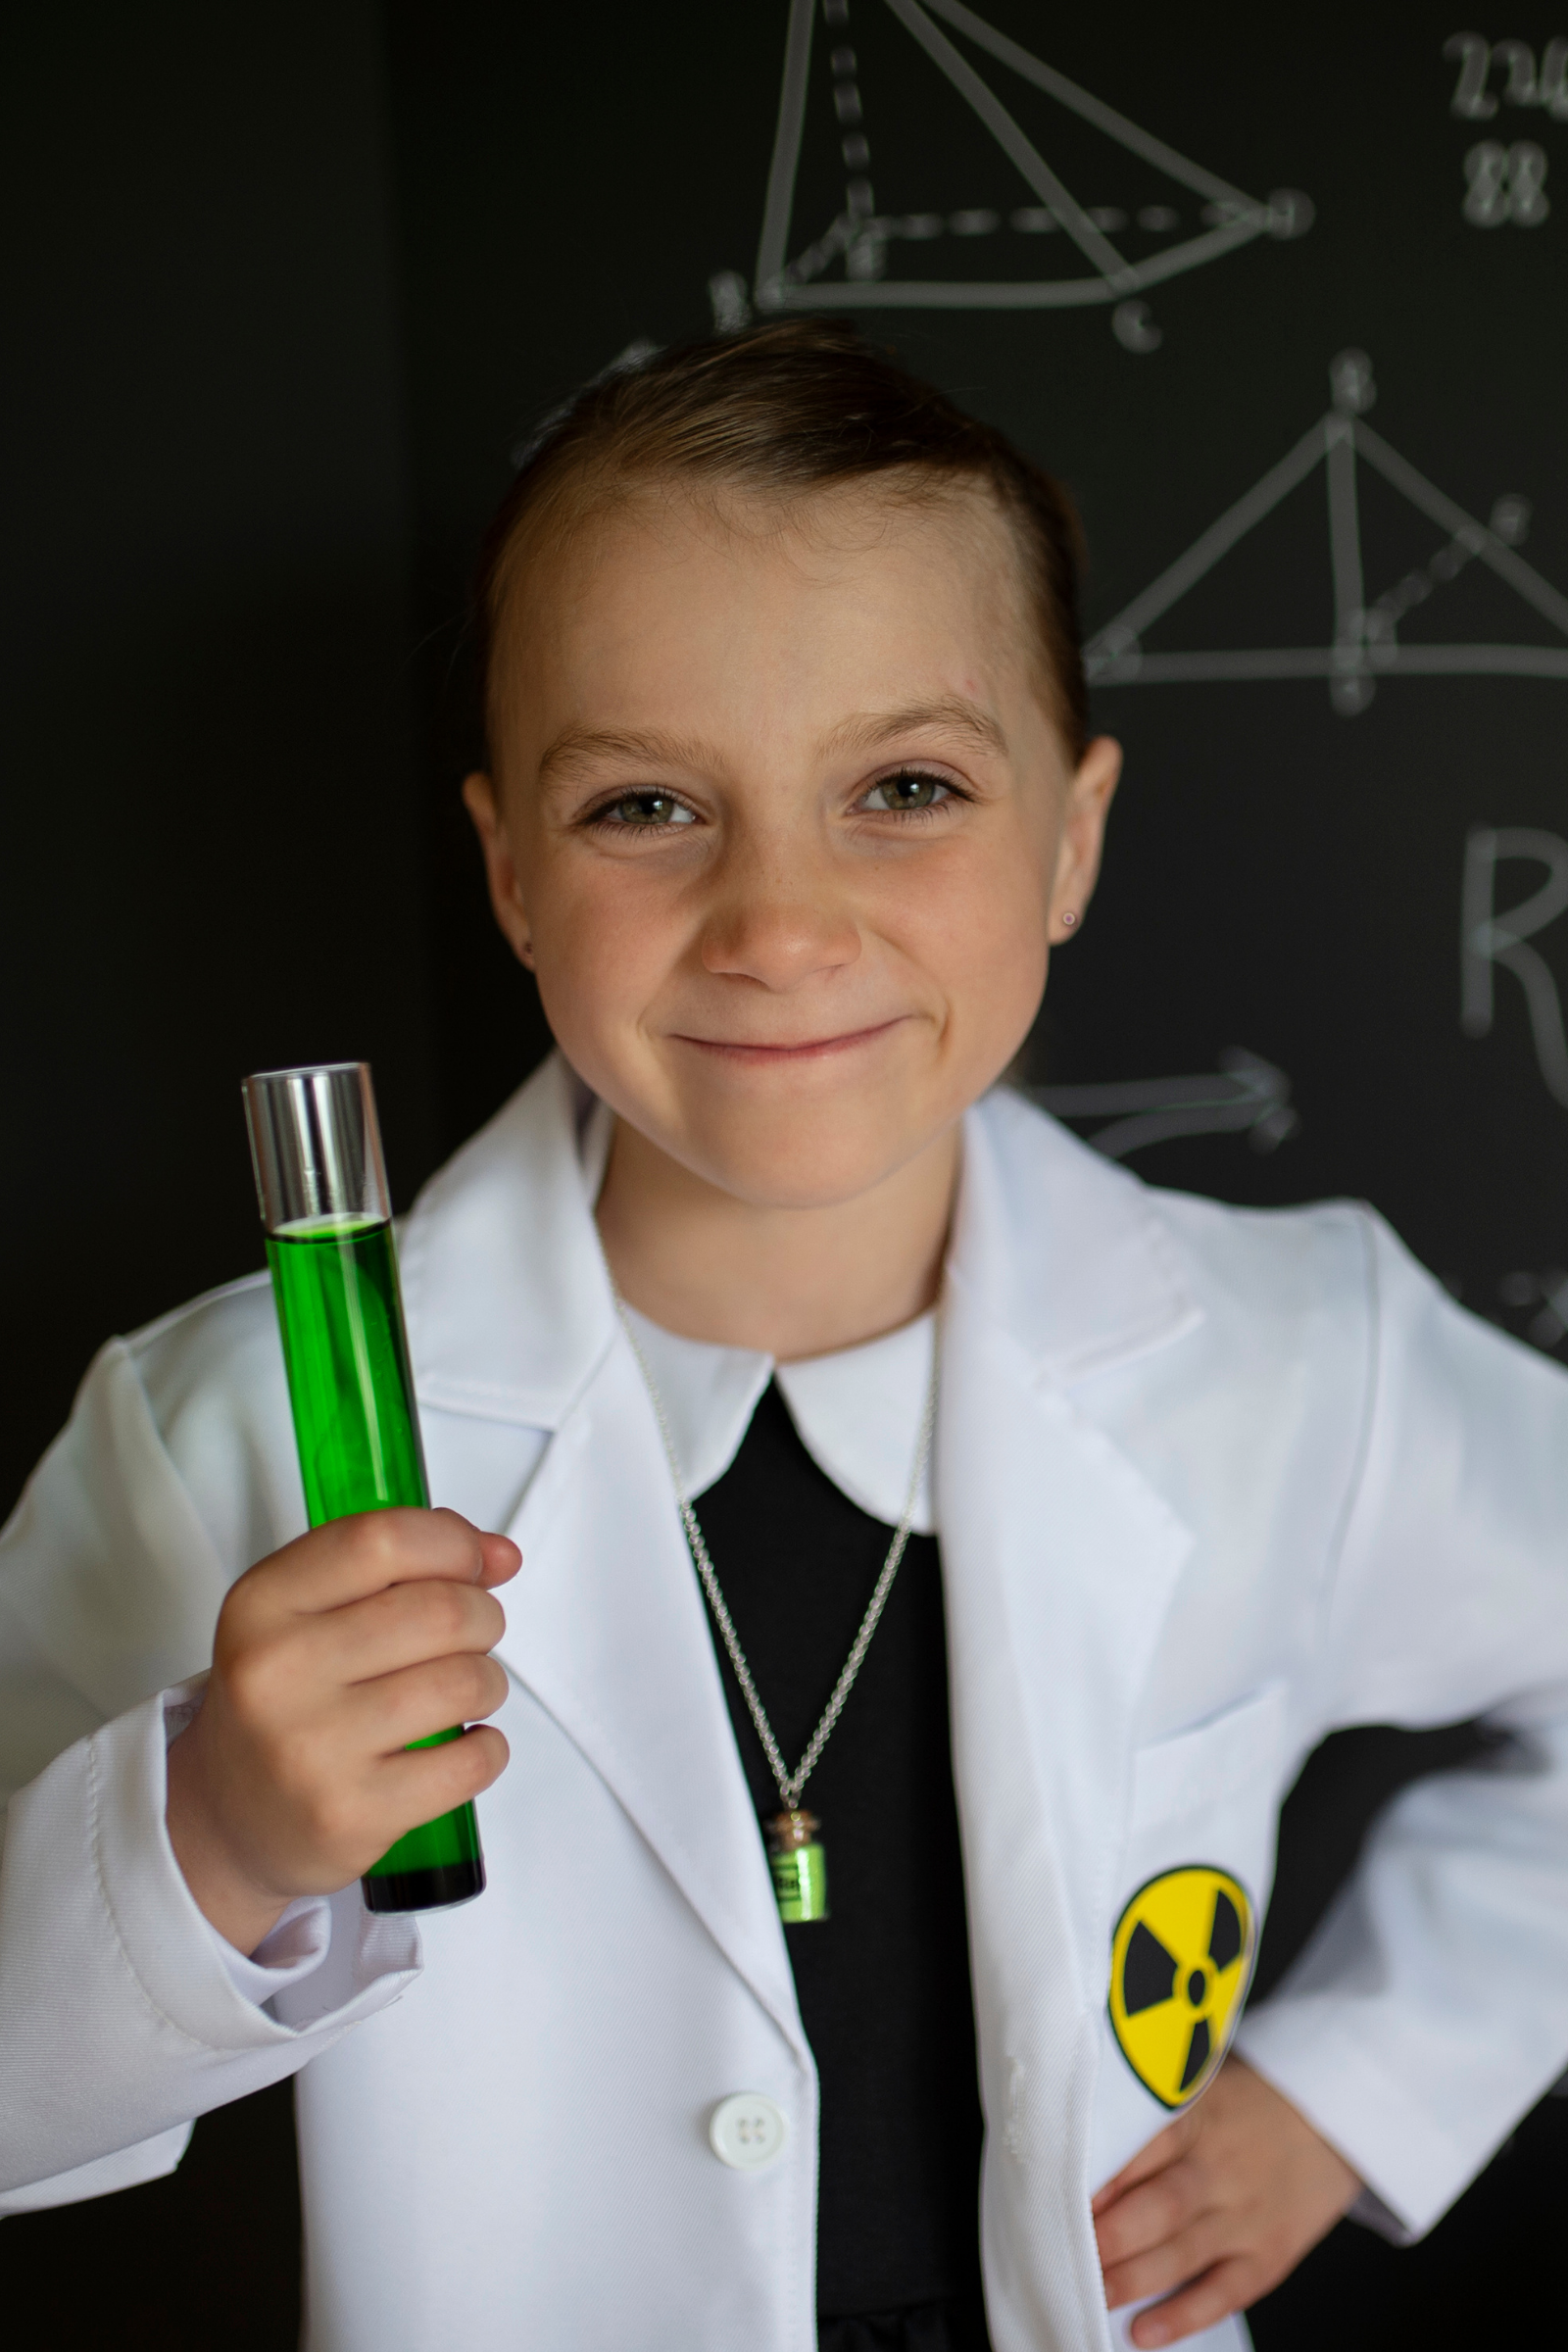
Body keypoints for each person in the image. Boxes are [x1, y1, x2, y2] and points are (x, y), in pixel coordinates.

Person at [2, 322, 1567, 2352]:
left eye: (902, 788)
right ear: (505, 872)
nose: (778, 922)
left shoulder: (1302, 1359)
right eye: (647, 806)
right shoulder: (221, 1426)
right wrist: (203, 1839)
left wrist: (1349, 2094)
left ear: (1069, 837)